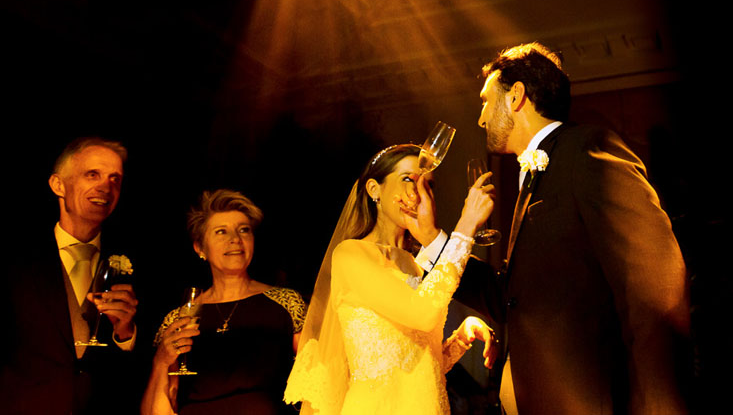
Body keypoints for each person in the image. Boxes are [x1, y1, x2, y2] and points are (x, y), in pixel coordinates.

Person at [422, 42, 691, 414]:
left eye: (486, 101)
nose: (481, 118)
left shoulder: (589, 151)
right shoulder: (531, 176)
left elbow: (652, 286)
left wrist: (659, 405)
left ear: (516, 95)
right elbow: (511, 299)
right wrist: (430, 238)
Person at [283, 144, 498, 415]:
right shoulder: (351, 255)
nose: (417, 193)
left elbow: (418, 365)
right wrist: (465, 227)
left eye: (428, 184)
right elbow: (422, 314)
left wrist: (462, 337)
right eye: (408, 178)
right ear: (374, 190)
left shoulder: (420, 263)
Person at [0, 137, 140, 415]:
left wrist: (126, 334)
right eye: (93, 174)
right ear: (58, 185)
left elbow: (143, 367)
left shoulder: (137, 262)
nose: (106, 187)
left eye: (116, 179)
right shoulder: (14, 261)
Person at [141, 189, 307, 415]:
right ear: (200, 248)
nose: (235, 240)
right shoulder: (180, 318)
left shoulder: (287, 303)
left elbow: (315, 385)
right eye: (221, 232)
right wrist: (160, 362)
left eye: (244, 230)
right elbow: (156, 410)